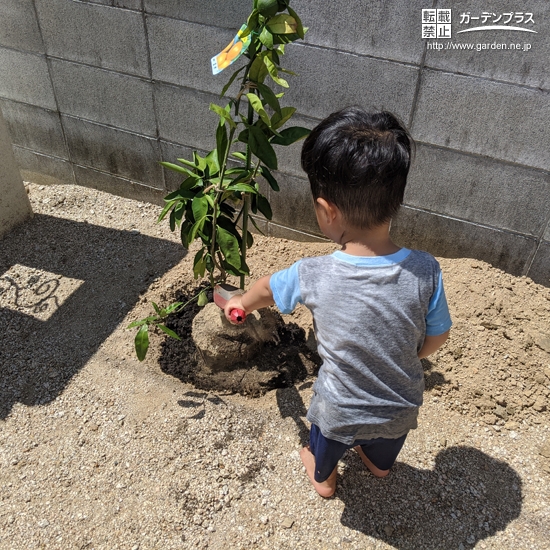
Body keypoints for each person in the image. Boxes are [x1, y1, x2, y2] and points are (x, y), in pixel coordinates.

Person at [224, 107, 452, 497]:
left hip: (340, 411)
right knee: (384, 450)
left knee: (325, 441)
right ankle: (378, 465)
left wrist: (240, 301)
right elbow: (438, 336)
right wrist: (411, 354)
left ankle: (323, 478)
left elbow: (266, 289)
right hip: (401, 407)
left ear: (327, 211)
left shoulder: (312, 274)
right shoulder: (426, 270)